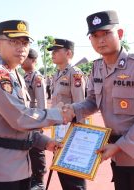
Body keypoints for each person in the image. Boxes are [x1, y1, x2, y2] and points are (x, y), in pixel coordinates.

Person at [63, 10, 134, 190]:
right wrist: (74, 109)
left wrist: (119, 146)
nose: (100, 40)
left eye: (106, 33)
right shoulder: (97, 67)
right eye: (95, 36)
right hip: (117, 155)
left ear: (120, 34)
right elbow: (92, 101)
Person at [0, 20, 73, 190]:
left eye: (25, 43)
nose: (21, 48)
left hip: (18, 167)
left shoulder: (15, 74)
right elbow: (19, 118)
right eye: (14, 42)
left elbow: (18, 128)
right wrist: (59, 114)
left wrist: (45, 142)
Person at [47, 38, 86, 190]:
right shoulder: (57, 74)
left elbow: (80, 106)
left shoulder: (75, 74)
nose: (53, 54)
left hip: (72, 133)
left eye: (57, 51)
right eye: (52, 51)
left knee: (74, 179)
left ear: (68, 53)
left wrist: (79, 139)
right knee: (63, 174)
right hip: (58, 131)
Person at [21, 48, 47, 190]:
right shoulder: (24, 77)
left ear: (33, 60)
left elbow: (41, 103)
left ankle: (39, 178)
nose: (22, 61)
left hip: (35, 120)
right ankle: (32, 176)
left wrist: (40, 122)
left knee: (37, 149)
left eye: (25, 58)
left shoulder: (37, 78)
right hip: (26, 120)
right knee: (29, 149)